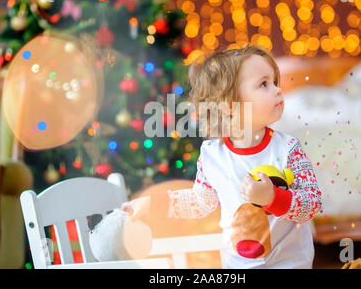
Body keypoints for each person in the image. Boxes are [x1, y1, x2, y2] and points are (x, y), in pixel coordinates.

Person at [121, 44, 322, 268]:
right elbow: (199, 202)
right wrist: (152, 203)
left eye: (275, 81)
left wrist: (272, 198)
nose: (278, 90)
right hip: (238, 265)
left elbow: (312, 204)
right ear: (229, 105)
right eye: (264, 84)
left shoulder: (288, 149)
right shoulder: (212, 155)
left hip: (290, 264)